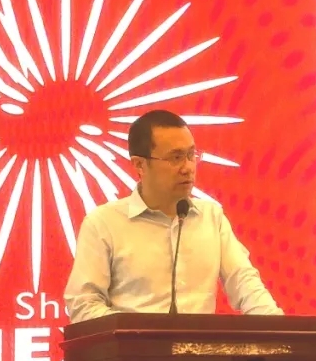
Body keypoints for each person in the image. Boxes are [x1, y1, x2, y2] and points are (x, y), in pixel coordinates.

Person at [63, 108, 283, 323]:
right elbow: (84, 305)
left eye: (191, 155)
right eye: (176, 158)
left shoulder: (211, 217)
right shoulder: (103, 224)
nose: (188, 168)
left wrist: (281, 331)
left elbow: (245, 283)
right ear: (140, 165)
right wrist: (137, 333)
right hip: (132, 347)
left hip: (200, 348)